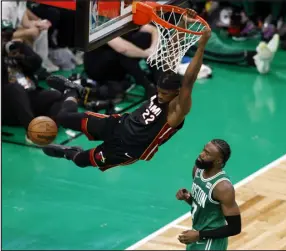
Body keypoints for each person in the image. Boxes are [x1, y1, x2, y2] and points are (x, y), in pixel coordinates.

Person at [41, 10, 212, 171]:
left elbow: (189, 80)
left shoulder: (178, 108)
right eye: (159, 91)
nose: (159, 95)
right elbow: (173, 53)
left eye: (164, 94)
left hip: (127, 150)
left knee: (80, 160)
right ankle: (72, 91)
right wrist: (182, 23)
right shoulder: (166, 85)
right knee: (64, 118)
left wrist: (201, 46)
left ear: (177, 92)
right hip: (118, 125)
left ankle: (69, 152)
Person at [176, 139, 241, 250]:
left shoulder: (223, 187)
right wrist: (187, 197)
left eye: (207, 154)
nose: (201, 154)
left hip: (212, 242)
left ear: (218, 161)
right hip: (196, 236)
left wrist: (199, 235)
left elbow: (234, 228)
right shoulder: (198, 170)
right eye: (203, 150)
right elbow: (203, 205)